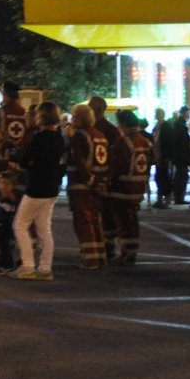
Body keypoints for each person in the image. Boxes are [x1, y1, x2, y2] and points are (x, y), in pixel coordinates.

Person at [11, 100, 67, 280]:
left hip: (36, 187)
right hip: (51, 188)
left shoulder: (39, 137)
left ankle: (27, 265)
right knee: (44, 229)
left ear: (42, 116)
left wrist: (31, 164)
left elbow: (24, 160)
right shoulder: (59, 137)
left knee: (19, 224)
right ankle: (45, 268)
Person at [103, 111, 152, 264]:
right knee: (132, 220)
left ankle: (127, 253)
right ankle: (131, 251)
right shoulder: (145, 141)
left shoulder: (123, 143)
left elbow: (116, 166)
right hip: (138, 187)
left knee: (123, 222)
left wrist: (106, 182)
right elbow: (151, 161)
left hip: (122, 188)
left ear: (123, 124)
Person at [66, 102, 111, 269]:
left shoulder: (79, 136)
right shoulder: (99, 134)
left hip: (81, 185)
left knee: (83, 222)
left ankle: (90, 260)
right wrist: (100, 182)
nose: (71, 120)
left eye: (73, 116)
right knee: (95, 220)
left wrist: (89, 181)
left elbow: (79, 161)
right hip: (96, 185)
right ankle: (99, 256)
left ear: (79, 119)